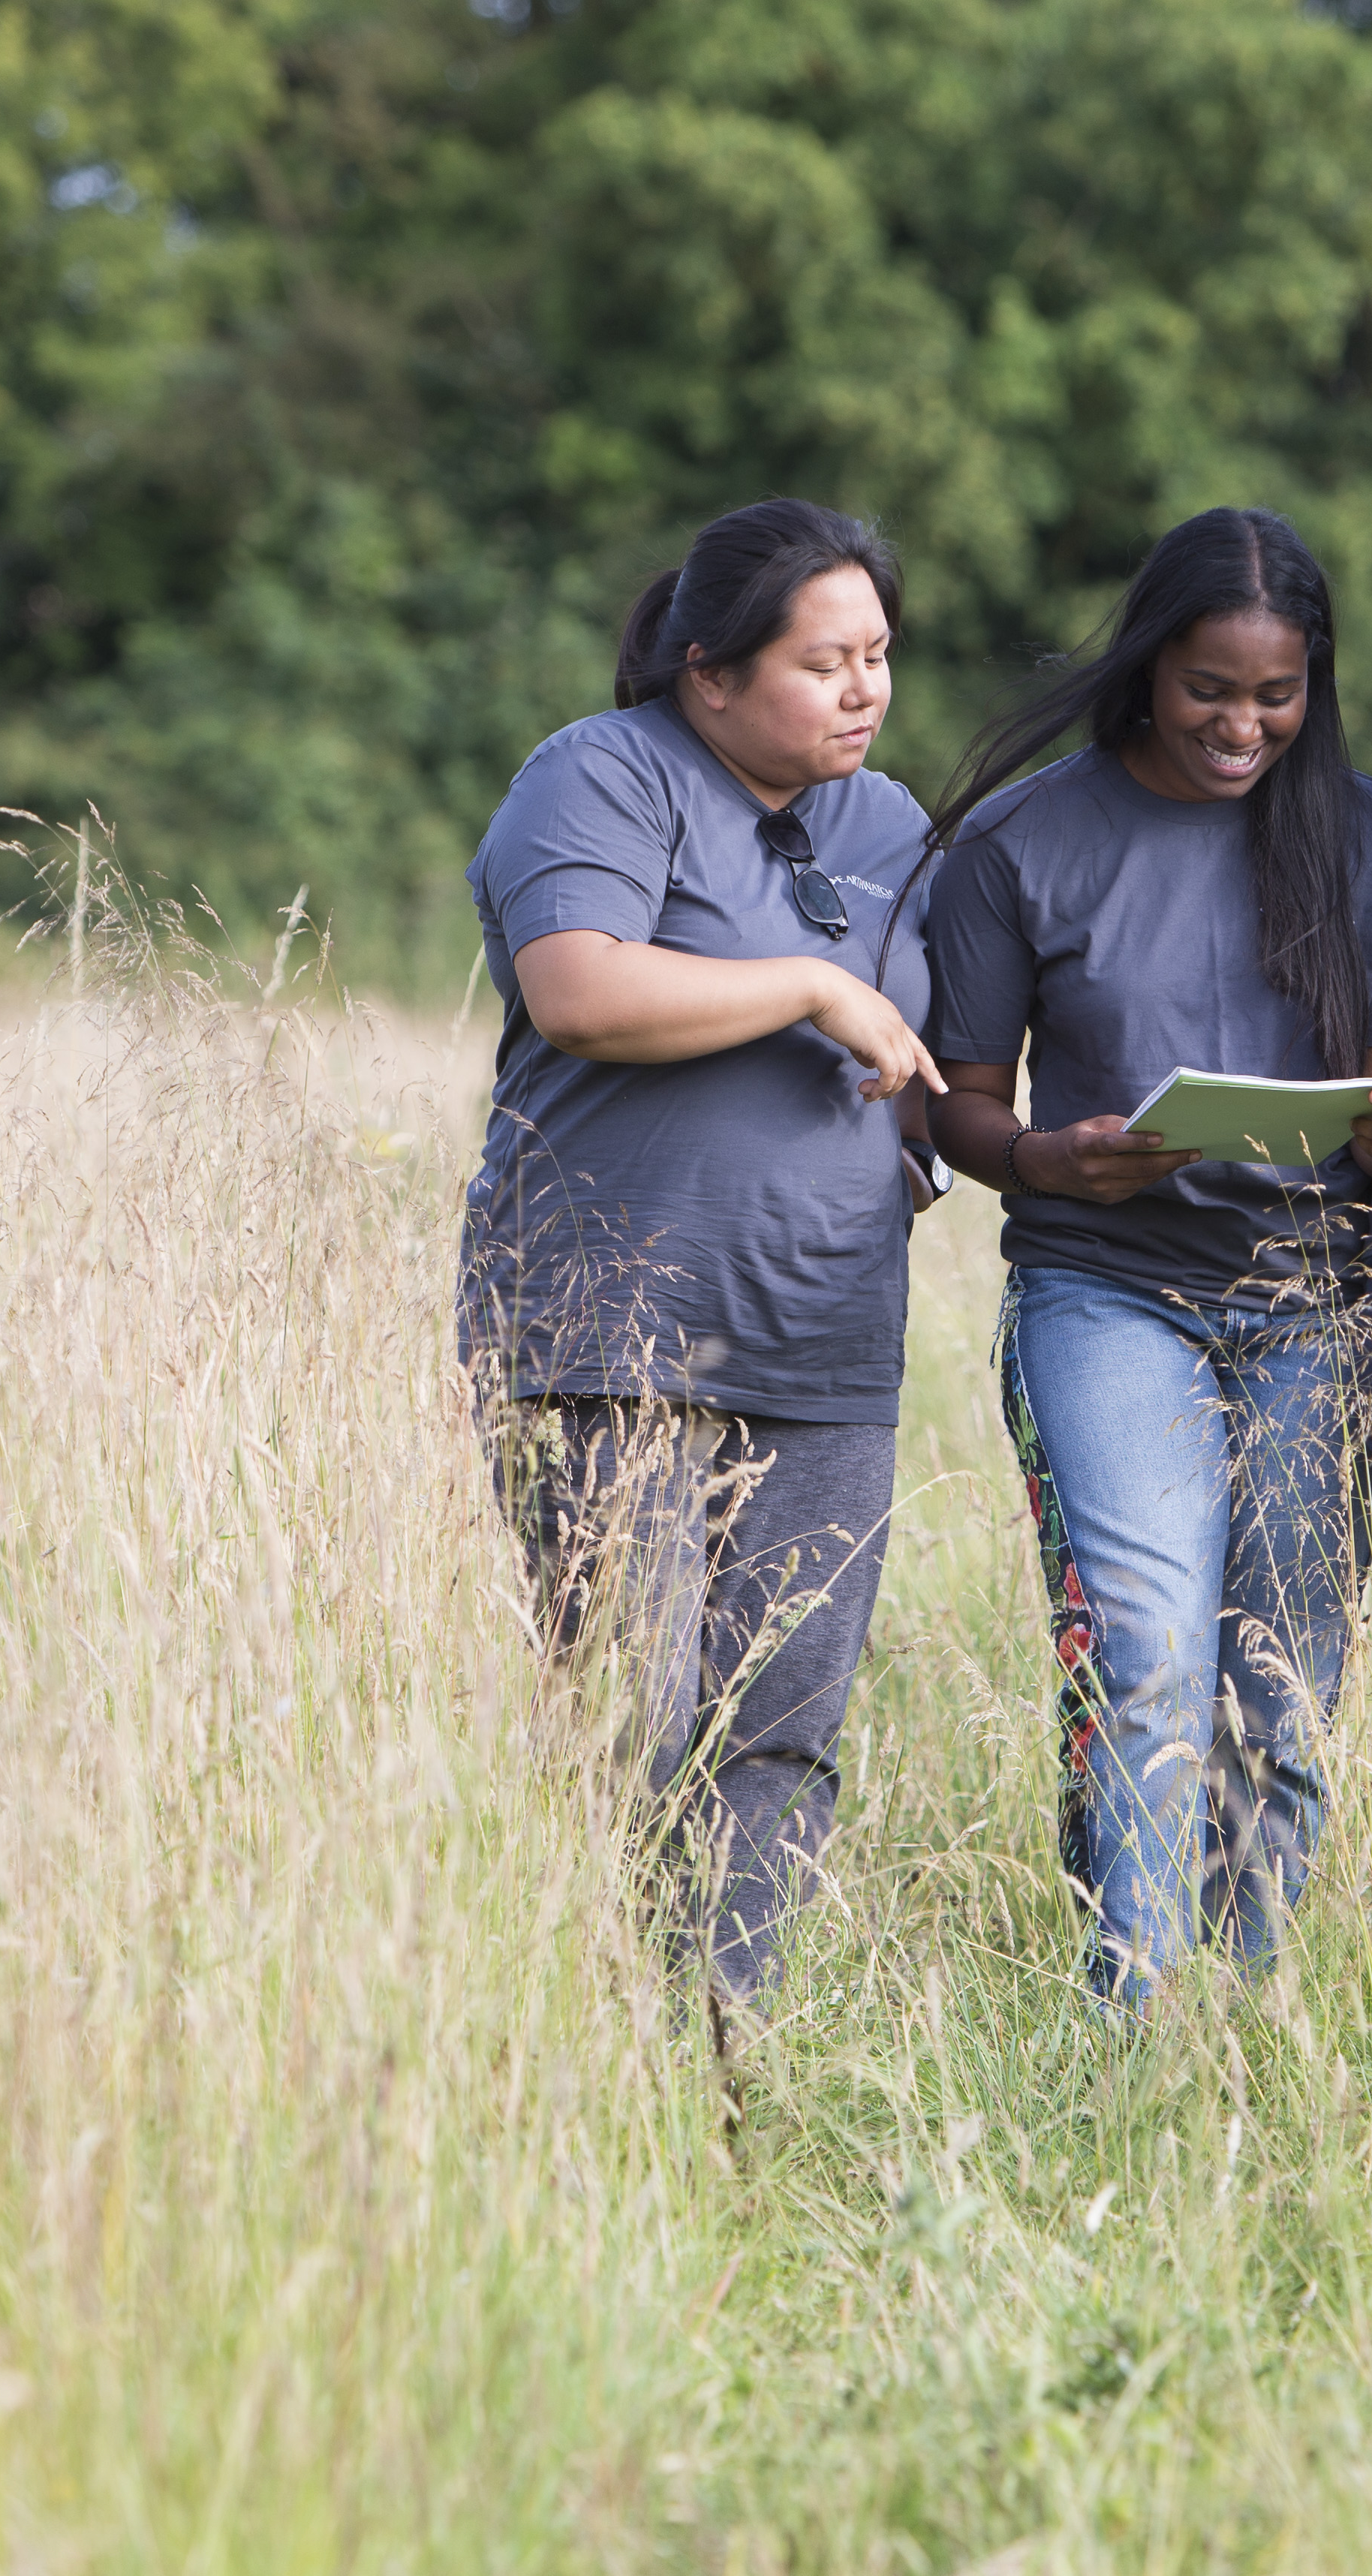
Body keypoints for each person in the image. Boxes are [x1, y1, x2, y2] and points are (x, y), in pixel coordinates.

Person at [919, 507, 1372, 2008]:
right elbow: (960, 1098)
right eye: (1211, 688)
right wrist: (1044, 1155)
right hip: (1106, 1284)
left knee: (1284, 1685)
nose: (1243, 725)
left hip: (1307, 1299)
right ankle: (1130, 2013)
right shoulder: (1026, 841)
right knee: (1147, 1655)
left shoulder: (1364, 833)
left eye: (1277, 697)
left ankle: (1248, 1998)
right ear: (1150, 666)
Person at [458, 496, 947, 2006]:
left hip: (824, 1339)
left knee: (785, 1721)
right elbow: (580, 992)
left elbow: (929, 1043)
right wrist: (806, 981)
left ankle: (727, 2037)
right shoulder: (601, 776)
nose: (861, 690)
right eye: (822, 663)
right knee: (633, 1710)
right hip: (610, 1334)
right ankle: (604, 2026)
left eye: (877, 657)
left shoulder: (891, 824)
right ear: (708, 672)